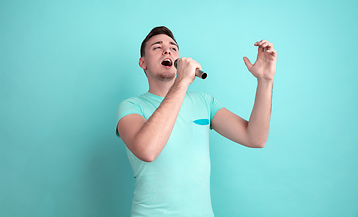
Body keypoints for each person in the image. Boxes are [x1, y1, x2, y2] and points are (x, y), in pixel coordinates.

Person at [115, 26, 277, 216]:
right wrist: (182, 82)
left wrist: (265, 80)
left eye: (173, 48)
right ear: (143, 62)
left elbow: (255, 138)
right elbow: (147, 151)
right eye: (157, 47)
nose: (167, 50)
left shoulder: (205, 102)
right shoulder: (131, 107)